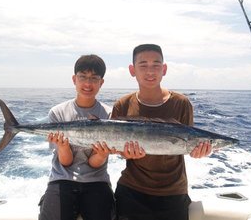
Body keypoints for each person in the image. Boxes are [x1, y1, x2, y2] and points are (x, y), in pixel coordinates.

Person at [111, 44, 212, 220]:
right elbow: (116, 145)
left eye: (156, 65)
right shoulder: (123, 104)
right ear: (132, 70)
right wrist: (125, 153)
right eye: (143, 65)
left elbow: (187, 142)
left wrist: (198, 152)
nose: (150, 71)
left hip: (173, 192)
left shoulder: (182, 103)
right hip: (131, 191)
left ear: (164, 69)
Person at [39, 54, 115, 220]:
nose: (88, 84)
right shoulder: (57, 112)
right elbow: (65, 162)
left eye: (94, 78)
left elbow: (94, 164)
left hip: (97, 181)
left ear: (101, 83)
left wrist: (101, 154)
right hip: (62, 179)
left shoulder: (109, 114)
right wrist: (63, 146)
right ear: (74, 79)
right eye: (83, 77)